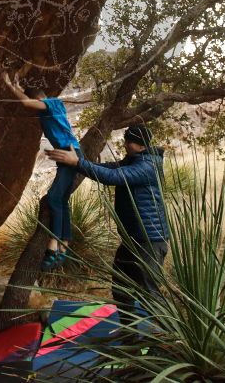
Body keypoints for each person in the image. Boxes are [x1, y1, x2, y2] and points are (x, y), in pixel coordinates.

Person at [45, 125, 169, 323]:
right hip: (132, 240)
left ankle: (172, 340)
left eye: (128, 141)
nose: (125, 144)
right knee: (120, 287)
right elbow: (110, 168)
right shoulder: (135, 160)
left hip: (149, 241)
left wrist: (77, 163)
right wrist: (78, 162)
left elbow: (112, 177)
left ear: (136, 144)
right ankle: (131, 337)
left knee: (149, 293)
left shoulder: (147, 167)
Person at [3, 72, 81, 271]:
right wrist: (18, 86)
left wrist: (10, 87)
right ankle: (64, 246)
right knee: (60, 200)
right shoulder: (47, 111)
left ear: (39, 98)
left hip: (70, 153)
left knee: (54, 198)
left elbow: (28, 104)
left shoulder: (52, 103)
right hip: (66, 154)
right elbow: (30, 101)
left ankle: (53, 247)